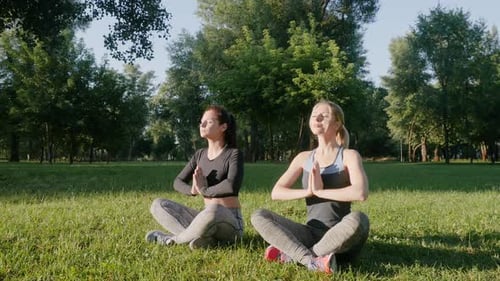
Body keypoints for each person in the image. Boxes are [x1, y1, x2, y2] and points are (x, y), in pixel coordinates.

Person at [251, 100, 370, 274]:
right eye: (314, 115)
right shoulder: (303, 157)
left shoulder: (349, 156)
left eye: (324, 115)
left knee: (359, 219)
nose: (317, 118)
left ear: (337, 123)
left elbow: (360, 193)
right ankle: (312, 261)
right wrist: (308, 191)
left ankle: (293, 256)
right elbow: (277, 192)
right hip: (310, 233)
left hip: (340, 236)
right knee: (259, 215)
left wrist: (321, 191)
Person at [146, 105, 244, 250]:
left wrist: (204, 189)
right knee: (158, 204)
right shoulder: (200, 155)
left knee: (214, 210)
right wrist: (192, 190)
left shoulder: (233, 154)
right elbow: (177, 182)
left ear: (223, 127)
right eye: (201, 122)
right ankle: (206, 240)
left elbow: (231, 186)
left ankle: (172, 240)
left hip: (229, 221)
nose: (202, 125)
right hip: (204, 217)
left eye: (209, 122)